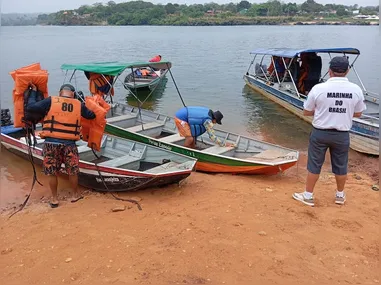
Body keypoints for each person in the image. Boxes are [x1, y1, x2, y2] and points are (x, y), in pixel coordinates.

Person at [292, 56, 366, 207]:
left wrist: (324, 112)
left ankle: (308, 195)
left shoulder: (319, 88)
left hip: (320, 133)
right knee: (341, 165)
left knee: (314, 164)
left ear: (329, 71)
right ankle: (339, 195)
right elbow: (358, 113)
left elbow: (306, 111)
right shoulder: (356, 89)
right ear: (347, 71)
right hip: (342, 135)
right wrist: (342, 113)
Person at [26, 83, 96, 208]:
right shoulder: (78, 104)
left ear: (60, 93)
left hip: (51, 144)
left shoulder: (50, 101)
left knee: (52, 172)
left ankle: (54, 199)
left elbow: (31, 108)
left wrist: (33, 93)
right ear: (73, 94)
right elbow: (91, 115)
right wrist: (85, 103)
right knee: (72, 171)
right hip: (70, 144)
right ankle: (75, 195)